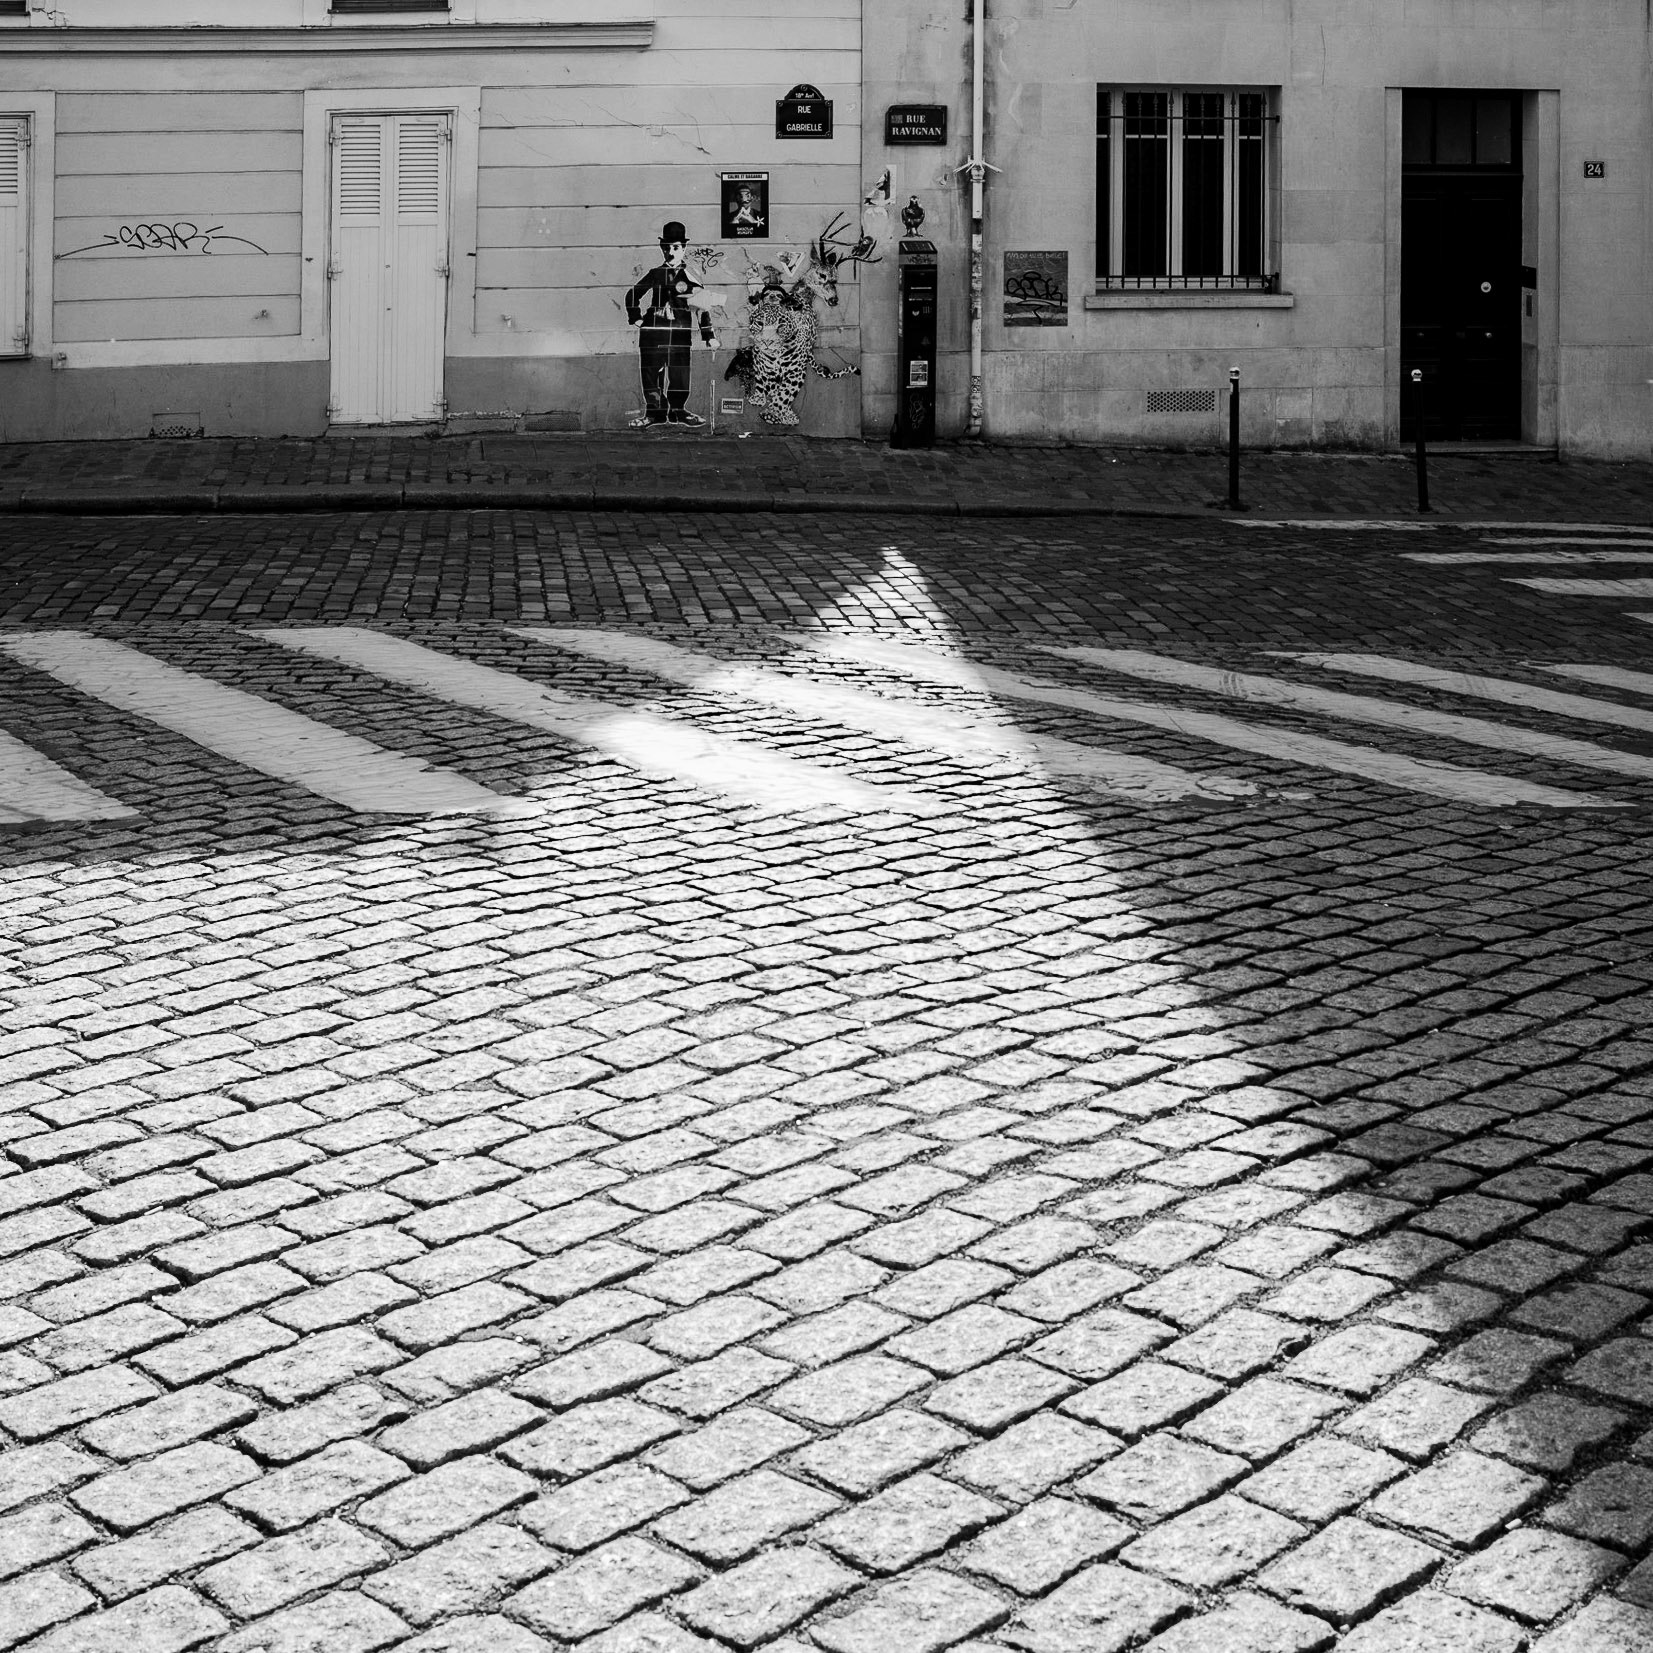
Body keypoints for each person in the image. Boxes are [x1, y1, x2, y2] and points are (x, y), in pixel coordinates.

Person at [625, 221, 716, 426]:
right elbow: (632, 295)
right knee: (651, 375)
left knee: (680, 375)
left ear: (683, 248)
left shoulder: (691, 276)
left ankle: (678, 411)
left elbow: (702, 306)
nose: (670, 252)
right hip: (653, 334)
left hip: (679, 333)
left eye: (675, 247)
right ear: (661, 248)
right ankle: (654, 413)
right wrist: (638, 318)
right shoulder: (656, 273)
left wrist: (708, 336)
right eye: (666, 247)